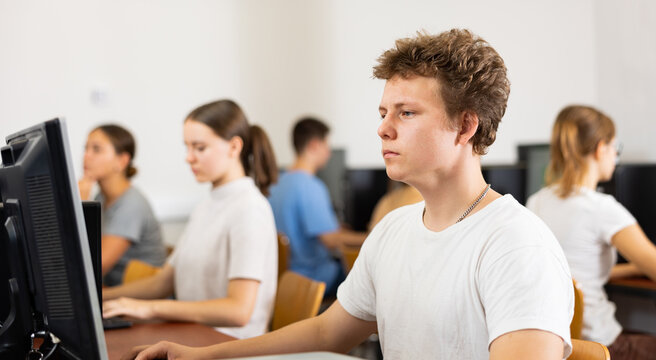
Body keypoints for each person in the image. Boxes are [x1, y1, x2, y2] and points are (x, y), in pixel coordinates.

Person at [123, 29, 573, 360]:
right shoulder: (394, 230)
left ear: (465, 125)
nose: (384, 128)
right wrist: (199, 355)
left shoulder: (516, 244)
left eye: (407, 112)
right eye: (383, 112)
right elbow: (325, 333)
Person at [527, 105, 656, 360]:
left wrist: (633, 268)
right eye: (615, 148)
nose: (615, 156)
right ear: (600, 149)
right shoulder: (602, 208)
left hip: (560, 347)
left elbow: (572, 273)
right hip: (602, 346)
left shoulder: (537, 202)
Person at [103, 99, 279, 339]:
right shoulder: (207, 205)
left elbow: (238, 311)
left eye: (199, 147)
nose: (189, 157)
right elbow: (164, 282)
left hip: (230, 345)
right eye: (187, 147)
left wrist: (149, 308)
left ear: (234, 147)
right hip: (194, 336)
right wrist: (105, 298)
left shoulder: (250, 208)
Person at [268, 117, 366, 296]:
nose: (328, 153)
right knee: (368, 282)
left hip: (283, 281)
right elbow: (331, 240)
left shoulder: (275, 184)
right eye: (326, 146)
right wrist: (371, 236)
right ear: (314, 145)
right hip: (312, 278)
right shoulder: (310, 186)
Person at [79, 124, 166, 287]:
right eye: (86, 149)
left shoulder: (131, 204)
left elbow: (94, 268)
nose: (86, 156)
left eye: (96, 149)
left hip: (138, 300)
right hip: (114, 292)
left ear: (122, 161)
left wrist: (80, 207)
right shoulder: (101, 198)